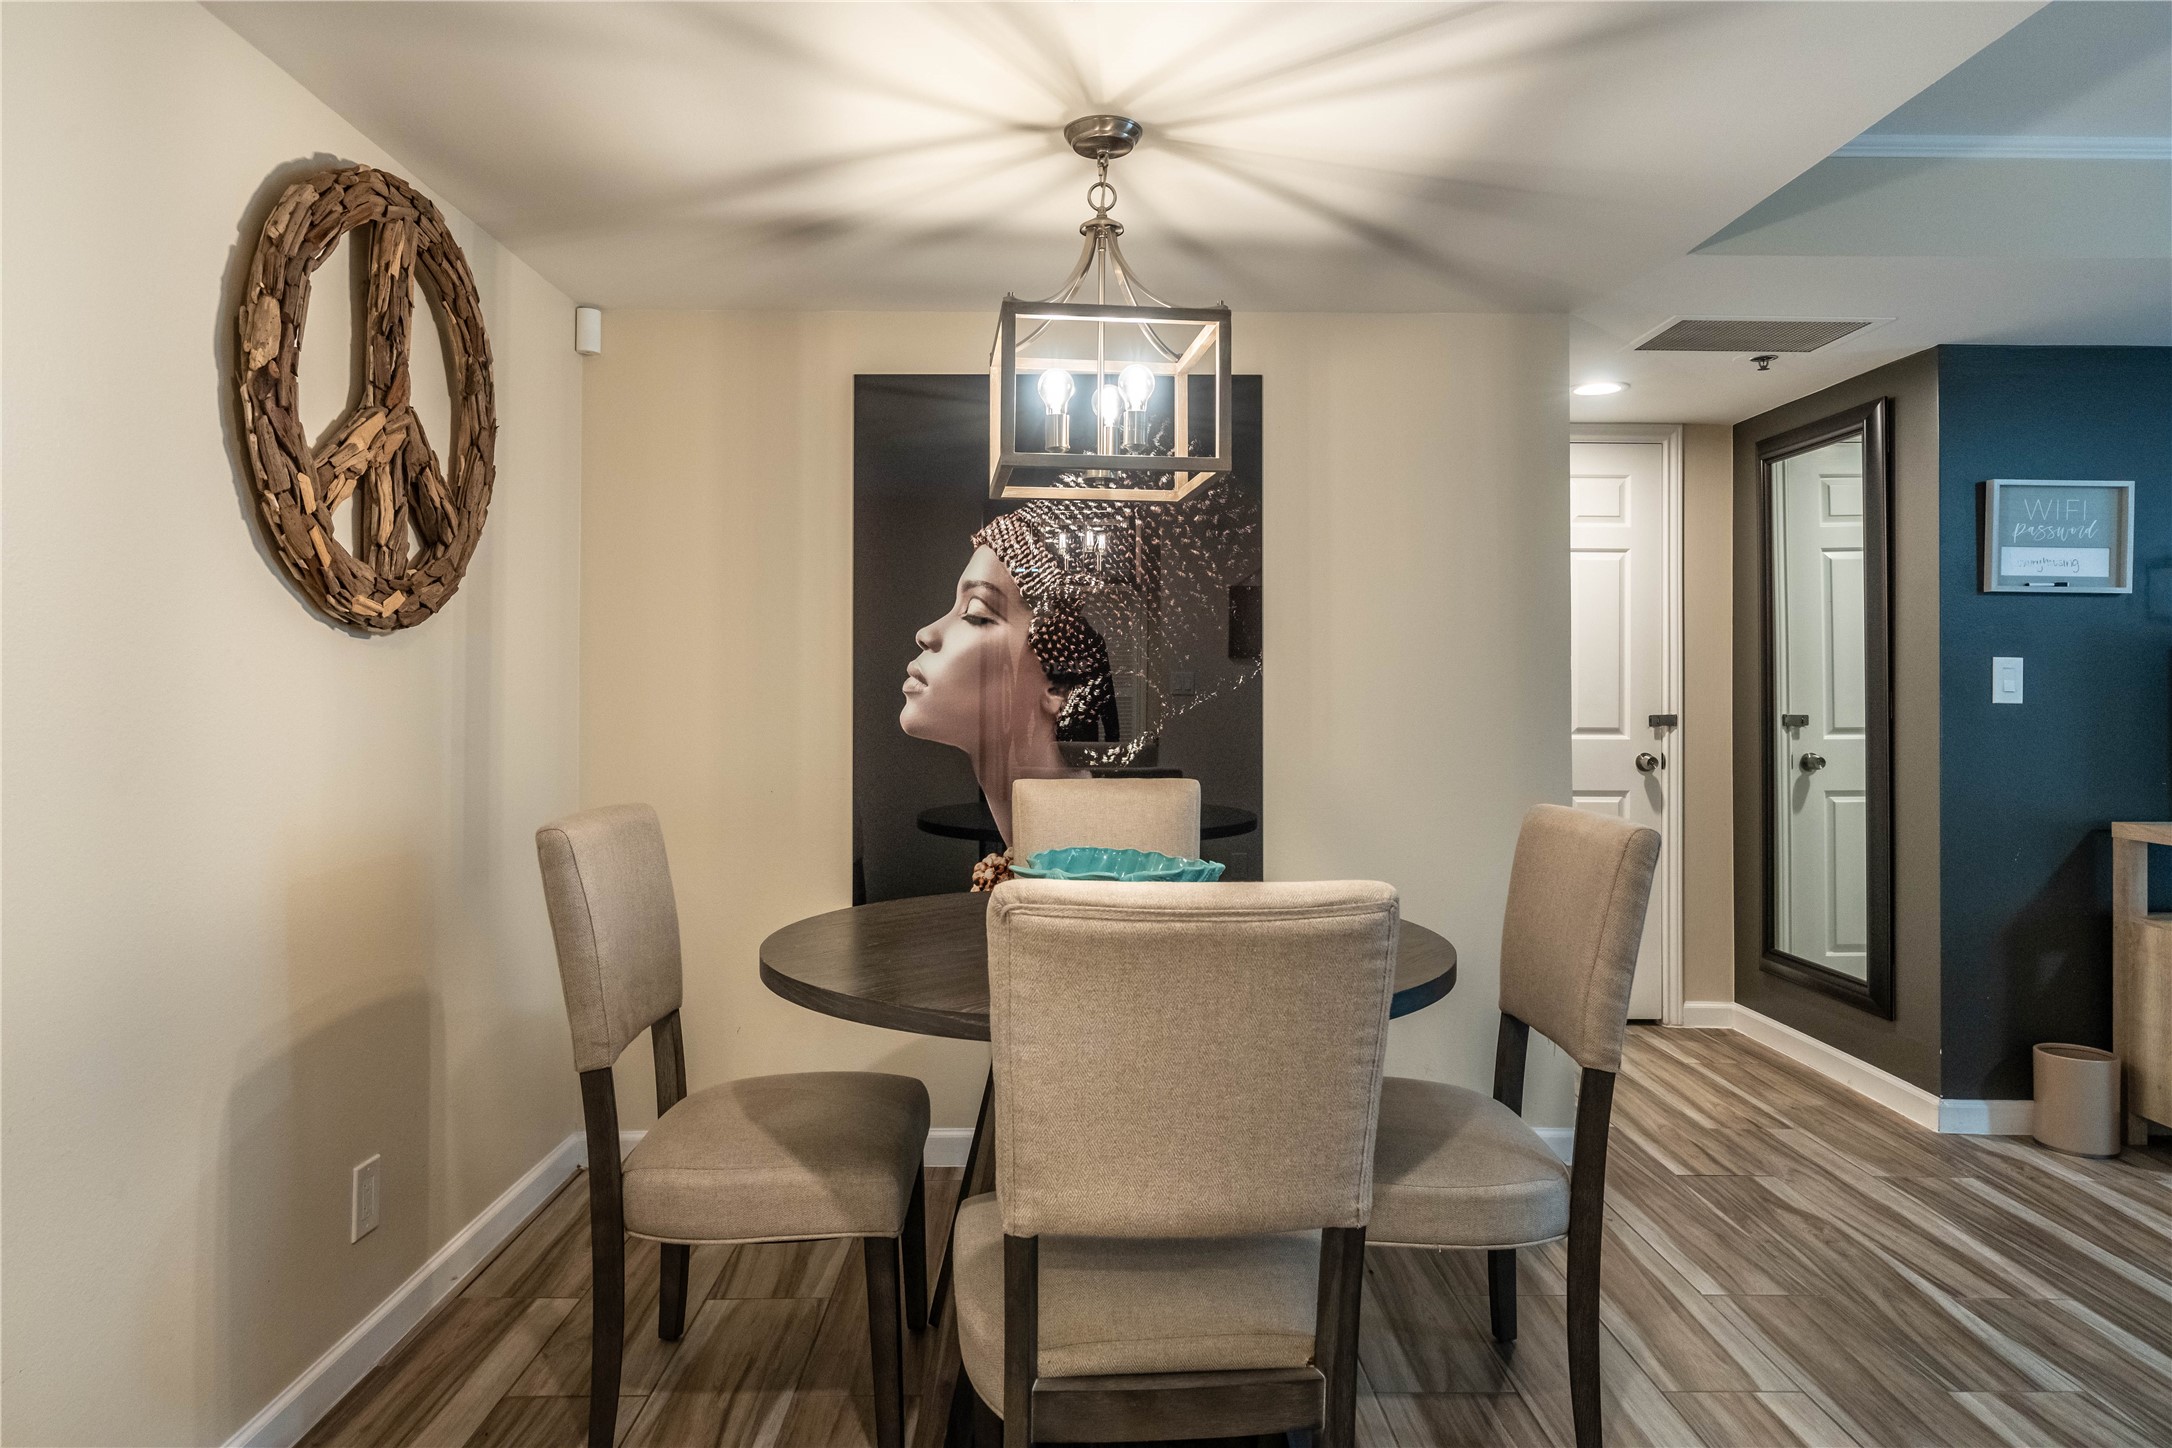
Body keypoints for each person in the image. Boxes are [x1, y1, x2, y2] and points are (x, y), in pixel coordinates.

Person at [899, 506, 1120, 849]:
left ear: (1058, 686)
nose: (926, 634)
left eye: (975, 613)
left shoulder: (1081, 841)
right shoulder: (1040, 834)